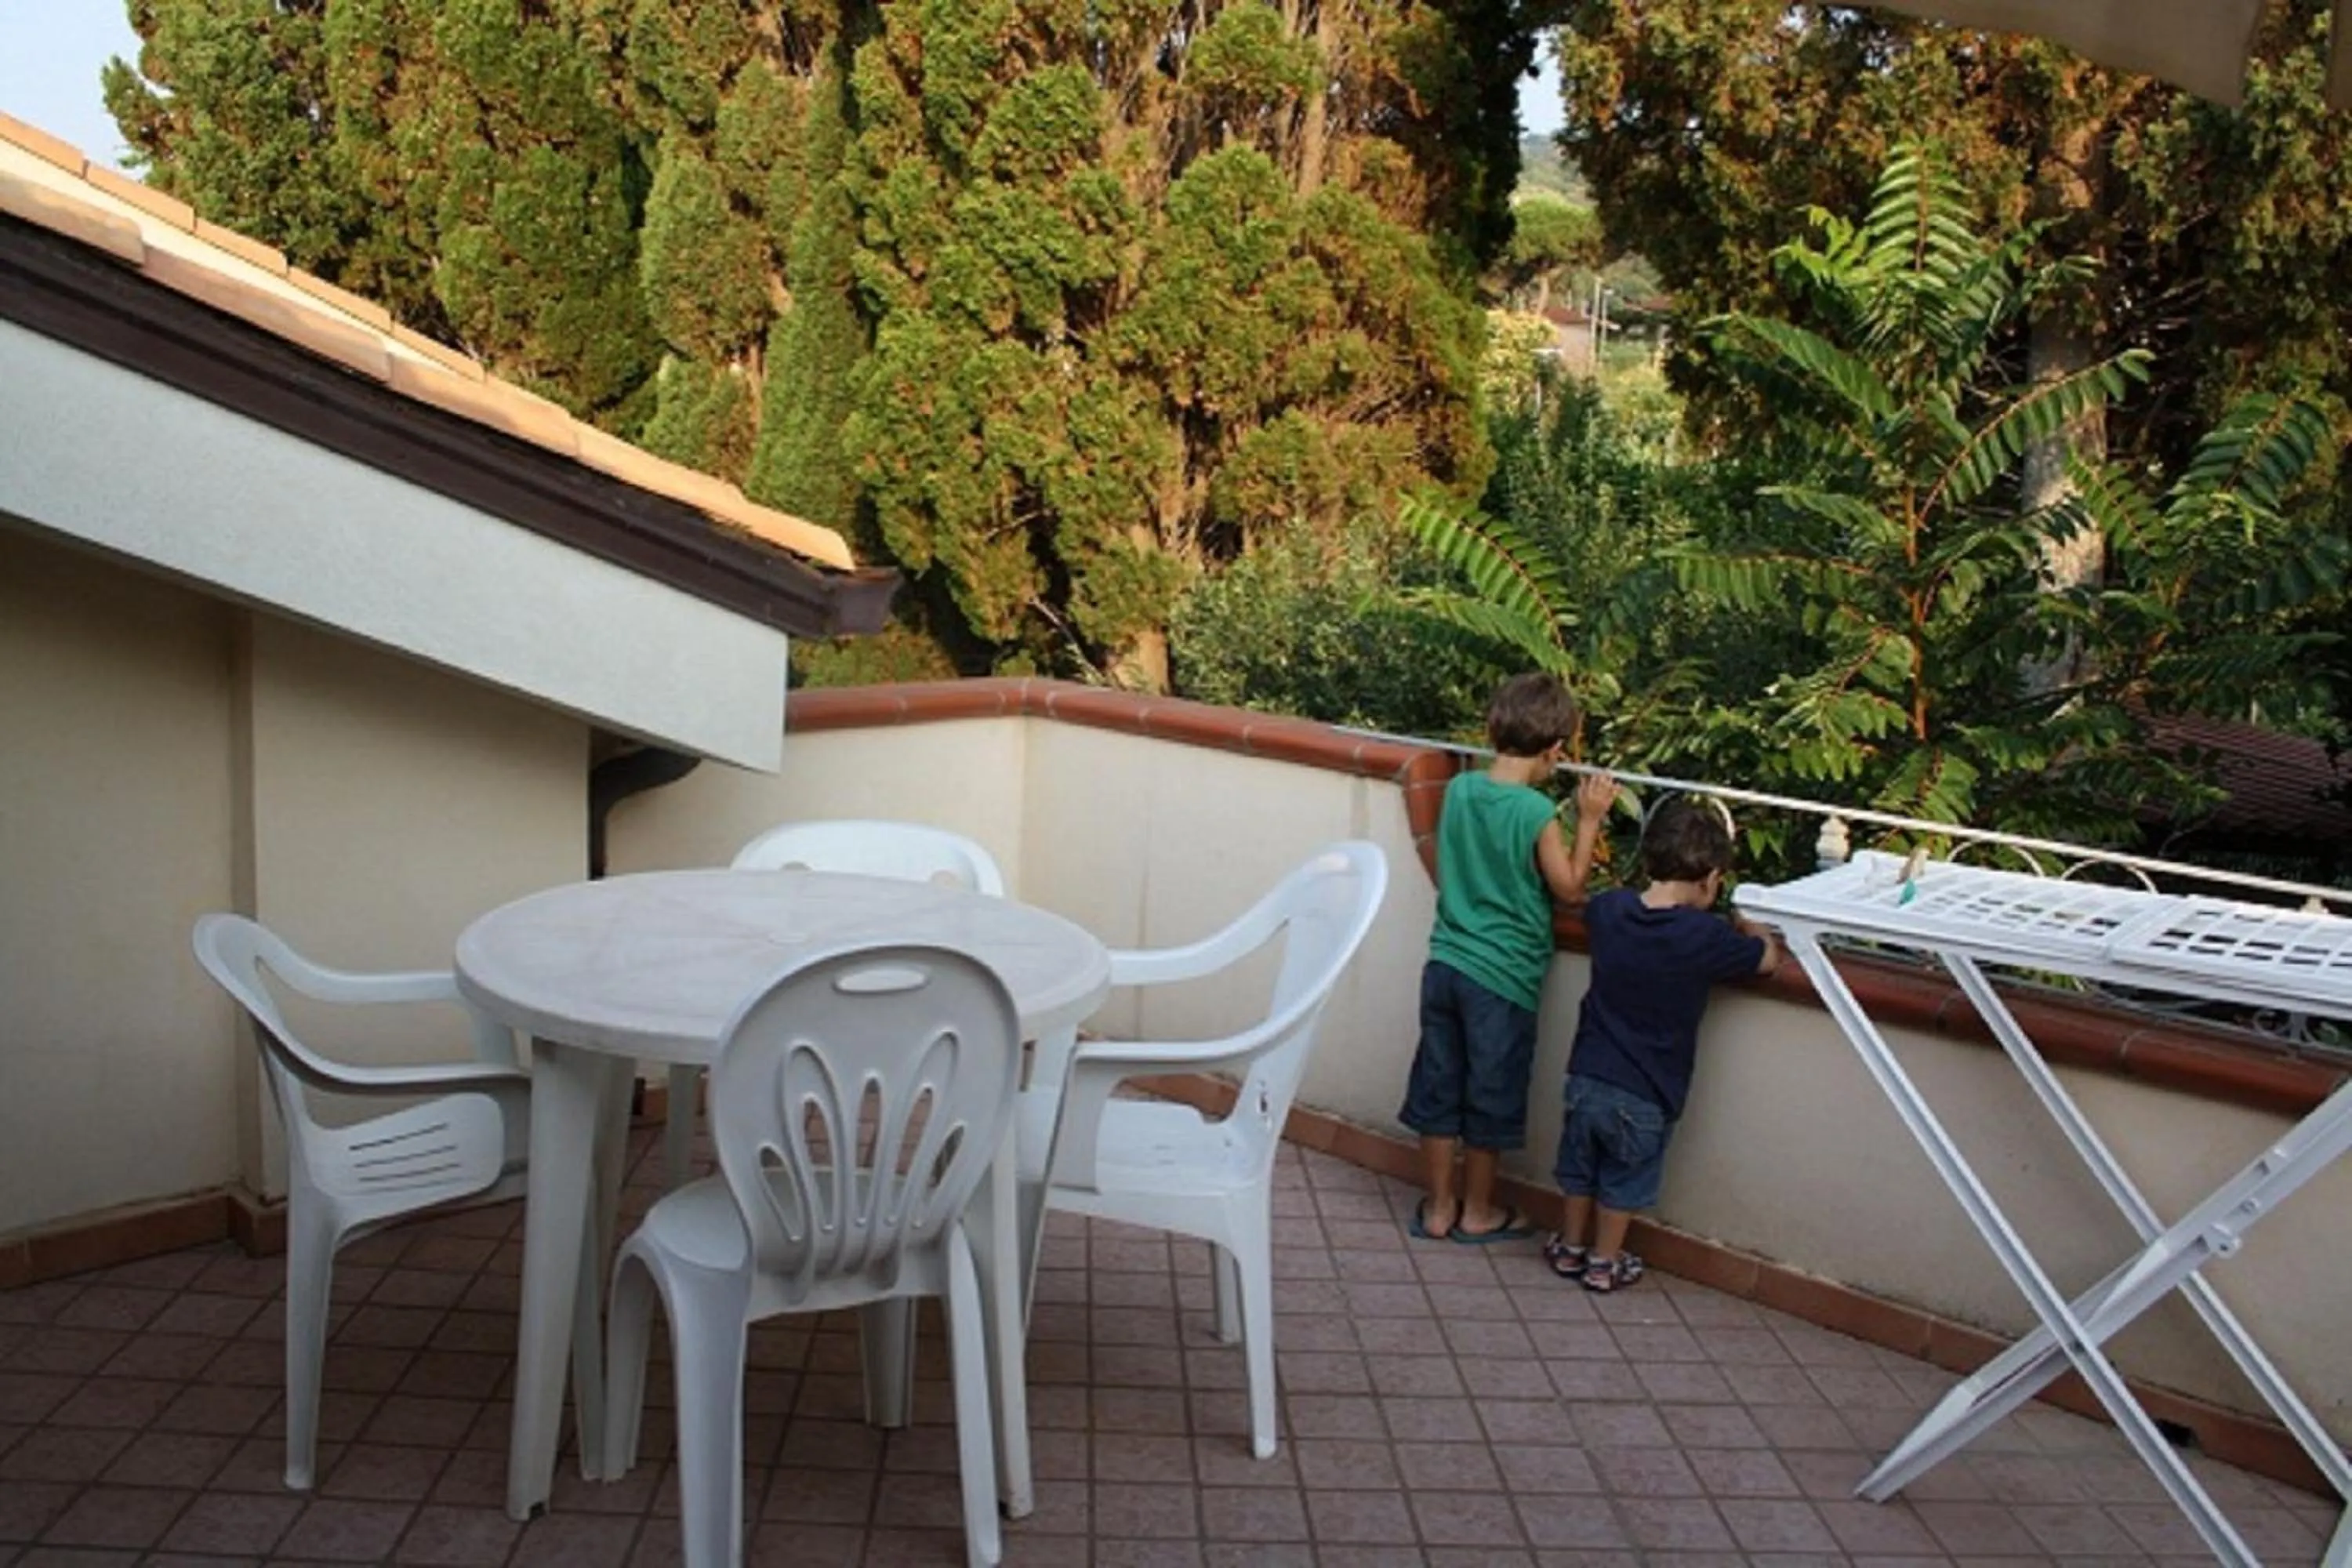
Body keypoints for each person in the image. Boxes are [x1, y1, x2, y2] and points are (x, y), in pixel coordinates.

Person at [1399, 672, 1617, 1243]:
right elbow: (1569, 889)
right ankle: (1478, 1212)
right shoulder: (1536, 811)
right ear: (1555, 749)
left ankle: (1440, 1207)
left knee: (1439, 1084)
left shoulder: (1464, 789)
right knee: (1490, 1093)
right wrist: (1589, 820)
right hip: (1502, 977)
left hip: (1446, 961)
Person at [1544, 797, 1780, 1292]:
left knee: (1579, 1168)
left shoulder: (1610, 911)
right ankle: (1605, 1262)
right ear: (1709, 877)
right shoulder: (1703, 936)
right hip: (1648, 1089)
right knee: (1624, 1181)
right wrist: (1752, 922)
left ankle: (1569, 1247)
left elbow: (1584, 905)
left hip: (1587, 1074)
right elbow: (1765, 961)